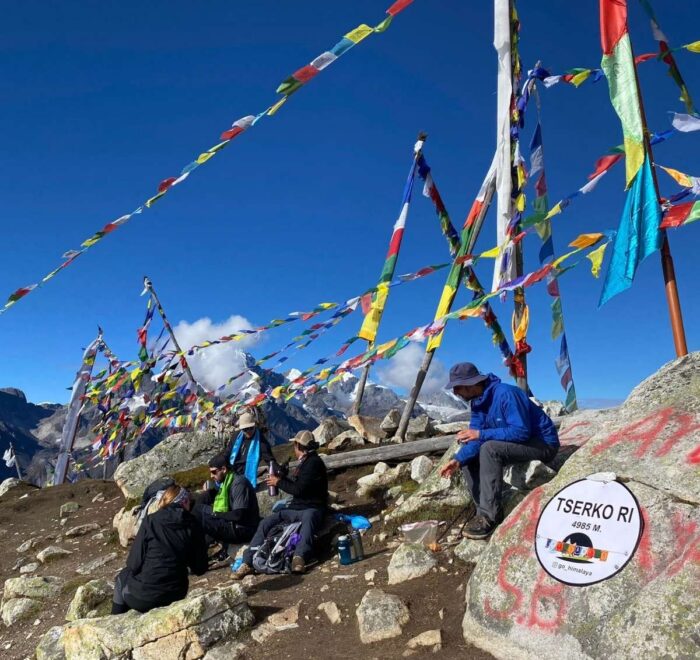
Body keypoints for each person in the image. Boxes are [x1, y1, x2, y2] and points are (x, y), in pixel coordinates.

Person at [440, 362, 559, 540]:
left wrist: (480, 433)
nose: (455, 393)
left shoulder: (507, 394)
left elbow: (521, 431)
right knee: (468, 458)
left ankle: (490, 517)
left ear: (471, 384)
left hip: (542, 444)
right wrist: (458, 459)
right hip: (516, 444)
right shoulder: (478, 403)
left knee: (489, 448)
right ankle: (483, 512)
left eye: (457, 388)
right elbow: (475, 438)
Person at [232, 430, 328, 578]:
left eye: (294, 445)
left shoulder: (313, 463)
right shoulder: (306, 462)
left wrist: (279, 482)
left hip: (311, 507)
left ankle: (299, 557)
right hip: (296, 508)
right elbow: (299, 485)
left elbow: (299, 490)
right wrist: (283, 478)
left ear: (298, 445)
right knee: (266, 522)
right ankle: (248, 561)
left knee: (308, 521)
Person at [111, 485, 208, 614]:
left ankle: (115, 623)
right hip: (176, 594)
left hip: (144, 597)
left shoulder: (151, 520)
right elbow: (200, 568)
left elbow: (133, 564)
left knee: (121, 578)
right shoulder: (194, 524)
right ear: (184, 502)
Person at [193, 452, 260, 546]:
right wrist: (207, 493)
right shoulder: (226, 481)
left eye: (214, 472)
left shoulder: (239, 483)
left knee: (199, 517)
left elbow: (238, 515)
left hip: (243, 530)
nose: (211, 476)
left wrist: (214, 513)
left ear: (224, 469)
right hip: (235, 526)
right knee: (200, 506)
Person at [225, 410, 276, 487]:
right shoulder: (236, 436)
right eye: (245, 429)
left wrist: (278, 470)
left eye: (251, 428)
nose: (248, 431)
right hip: (232, 472)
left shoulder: (261, 442)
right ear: (241, 430)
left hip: (246, 478)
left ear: (254, 426)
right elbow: (227, 452)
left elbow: (270, 460)